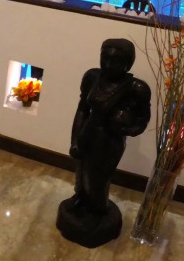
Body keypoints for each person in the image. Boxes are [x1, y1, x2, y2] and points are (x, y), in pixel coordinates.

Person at [56, 38, 151, 248]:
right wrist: (75, 140)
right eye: (104, 58)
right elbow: (82, 110)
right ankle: (81, 199)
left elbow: (142, 120)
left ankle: (97, 210)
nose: (108, 65)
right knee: (81, 170)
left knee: (97, 178)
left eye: (116, 61)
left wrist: (124, 127)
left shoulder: (136, 88)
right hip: (87, 132)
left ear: (128, 64)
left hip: (109, 140)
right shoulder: (92, 77)